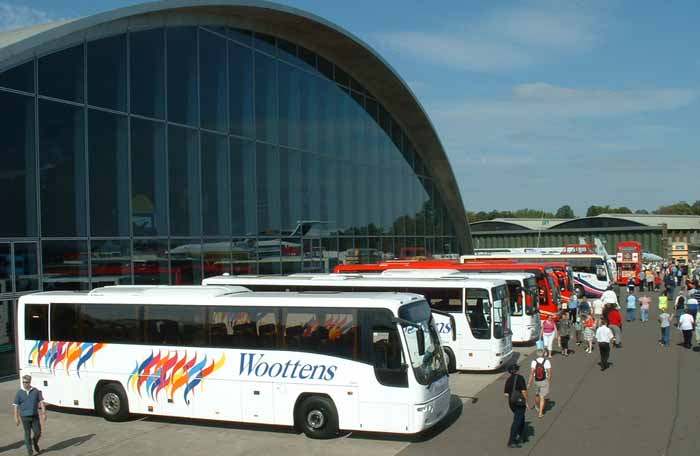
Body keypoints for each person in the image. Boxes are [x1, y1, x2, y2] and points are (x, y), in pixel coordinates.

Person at [12, 374, 46, 456]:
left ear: (30, 382)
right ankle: (30, 452)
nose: (24, 384)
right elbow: (15, 406)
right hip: (24, 417)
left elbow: (41, 402)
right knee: (27, 434)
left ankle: (35, 442)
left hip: (34, 416)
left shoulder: (36, 391)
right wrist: (16, 418)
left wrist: (44, 413)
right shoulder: (19, 393)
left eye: (26, 382)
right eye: (23, 382)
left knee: (38, 432)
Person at [504, 364, 528, 448]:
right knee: (517, 421)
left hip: (511, 403)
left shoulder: (508, 380)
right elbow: (524, 391)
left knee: (520, 417)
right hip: (520, 402)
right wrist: (526, 401)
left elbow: (506, 394)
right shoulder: (520, 378)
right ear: (517, 370)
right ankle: (511, 441)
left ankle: (522, 435)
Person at [528, 350, 551, 419]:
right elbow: (549, 373)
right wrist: (548, 382)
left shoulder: (534, 362)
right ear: (543, 354)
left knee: (537, 395)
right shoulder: (546, 361)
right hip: (544, 380)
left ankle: (537, 405)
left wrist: (529, 382)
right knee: (542, 397)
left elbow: (532, 373)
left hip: (536, 380)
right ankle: (540, 413)